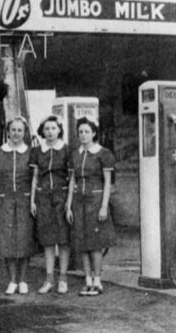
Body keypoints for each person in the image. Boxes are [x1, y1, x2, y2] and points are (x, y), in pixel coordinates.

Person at [66, 116, 115, 296]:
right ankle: (87, 280)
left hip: (96, 201)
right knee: (82, 243)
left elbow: (107, 182)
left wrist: (104, 206)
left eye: (87, 131)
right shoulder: (75, 154)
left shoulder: (103, 153)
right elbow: (72, 180)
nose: (83, 135)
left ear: (94, 133)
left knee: (95, 244)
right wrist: (69, 205)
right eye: (80, 132)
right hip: (79, 202)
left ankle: (97, 280)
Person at [0, 116, 36, 295]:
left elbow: (34, 179)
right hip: (4, 200)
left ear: (24, 133)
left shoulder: (31, 153)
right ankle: (12, 280)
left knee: (24, 240)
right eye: (13, 130)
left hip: (24, 200)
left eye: (20, 130)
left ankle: (23, 280)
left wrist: (33, 200)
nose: (16, 134)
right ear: (7, 132)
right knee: (7, 240)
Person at [30, 115, 71, 294]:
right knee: (47, 241)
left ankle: (63, 278)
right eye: (46, 129)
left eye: (53, 128)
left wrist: (69, 203)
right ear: (42, 131)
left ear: (59, 130)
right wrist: (33, 199)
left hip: (61, 197)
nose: (50, 132)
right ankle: (49, 279)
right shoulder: (37, 151)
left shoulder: (67, 150)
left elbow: (72, 178)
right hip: (43, 197)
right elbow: (35, 177)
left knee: (63, 240)